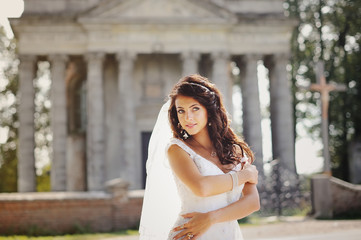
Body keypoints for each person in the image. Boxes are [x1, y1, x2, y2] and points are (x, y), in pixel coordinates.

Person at [139, 74, 260, 240]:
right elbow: (202, 188)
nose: (188, 117)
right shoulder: (177, 149)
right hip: (190, 234)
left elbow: (253, 202)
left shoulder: (234, 150)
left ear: (209, 111)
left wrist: (211, 218)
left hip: (229, 234)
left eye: (195, 108)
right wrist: (244, 175)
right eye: (181, 111)